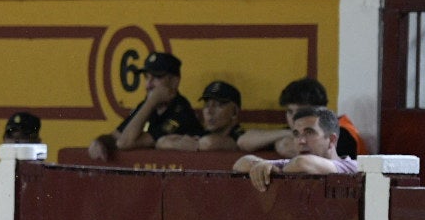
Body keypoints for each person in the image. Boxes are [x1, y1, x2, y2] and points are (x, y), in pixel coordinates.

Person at [87, 51, 204, 159]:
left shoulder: (182, 113)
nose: (148, 85)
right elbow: (115, 136)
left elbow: (125, 143)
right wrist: (100, 141)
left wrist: (151, 102)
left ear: (174, 81)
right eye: (147, 77)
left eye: (156, 77)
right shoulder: (147, 105)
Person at [238, 76, 367, 157]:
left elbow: (289, 148)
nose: (294, 117)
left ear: (320, 110)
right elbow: (243, 141)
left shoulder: (343, 132)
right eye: (289, 111)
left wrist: (283, 141)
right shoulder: (298, 128)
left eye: (301, 111)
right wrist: (287, 133)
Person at [233, 106, 358, 189]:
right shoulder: (291, 165)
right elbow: (242, 163)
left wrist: (273, 170)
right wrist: (262, 166)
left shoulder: (352, 167)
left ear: (331, 140)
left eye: (309, 132)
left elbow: (302, 163)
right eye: (296, 134)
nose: (301, 141)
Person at [156, 79, 244, 150]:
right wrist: (183, 144)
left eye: (218, 105)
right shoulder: (200, 132)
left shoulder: (240, 135)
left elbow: (210, 143)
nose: (209, 111)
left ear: (234, 112)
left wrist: (193, 144)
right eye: (207, 105)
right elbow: (161, 141)